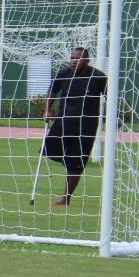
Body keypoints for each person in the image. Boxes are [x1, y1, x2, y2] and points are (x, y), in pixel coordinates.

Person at [41, 46, 109, 206]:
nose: (73, 61)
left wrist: (115, 116)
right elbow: (52, 92)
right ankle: (68, 160)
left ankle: (66, 198)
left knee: (76, 164)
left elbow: (109, 96)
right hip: (63, 122)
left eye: (77, 59)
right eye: (72, 58)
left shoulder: (98, 77)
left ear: (86, 61)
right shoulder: (63, 74)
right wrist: (47, 110)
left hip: (85, 127)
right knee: (50, 146)